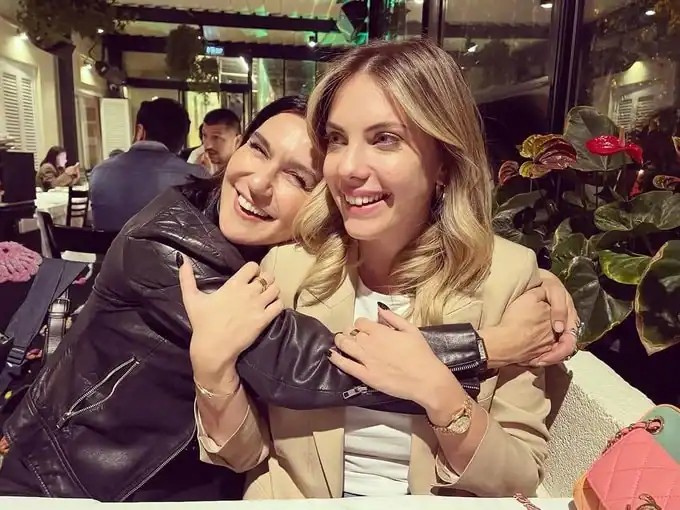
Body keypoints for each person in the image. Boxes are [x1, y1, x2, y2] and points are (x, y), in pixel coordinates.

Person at [0, 95, 576, 500]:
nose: (257, 183)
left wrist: (539, 282)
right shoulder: (172, 246)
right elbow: (300, 364)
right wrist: (489, 345)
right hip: (78, 481)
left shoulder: (282, 255)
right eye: (257, 148)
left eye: (299, 177)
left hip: (187, 477)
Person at [188, 39, 569, 499]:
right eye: (337, 139)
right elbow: (244, 455)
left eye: (385, 139)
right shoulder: (289, 269)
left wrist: (441, 395)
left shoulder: (507, 279)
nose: (348, 167)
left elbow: (518, 477)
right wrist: (212, 373)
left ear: (444, 162)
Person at [89, 98, 208, 232]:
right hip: (168, 246)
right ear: (181, 140)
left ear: (140, 131)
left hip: (107, 246)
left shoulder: (100, 172)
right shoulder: (196, 176)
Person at [201, 108, 242, 174]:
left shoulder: (246, 172)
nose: (208, 145)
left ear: (237, 141)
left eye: (216, 137)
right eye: (204, 135)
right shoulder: (197, 161)